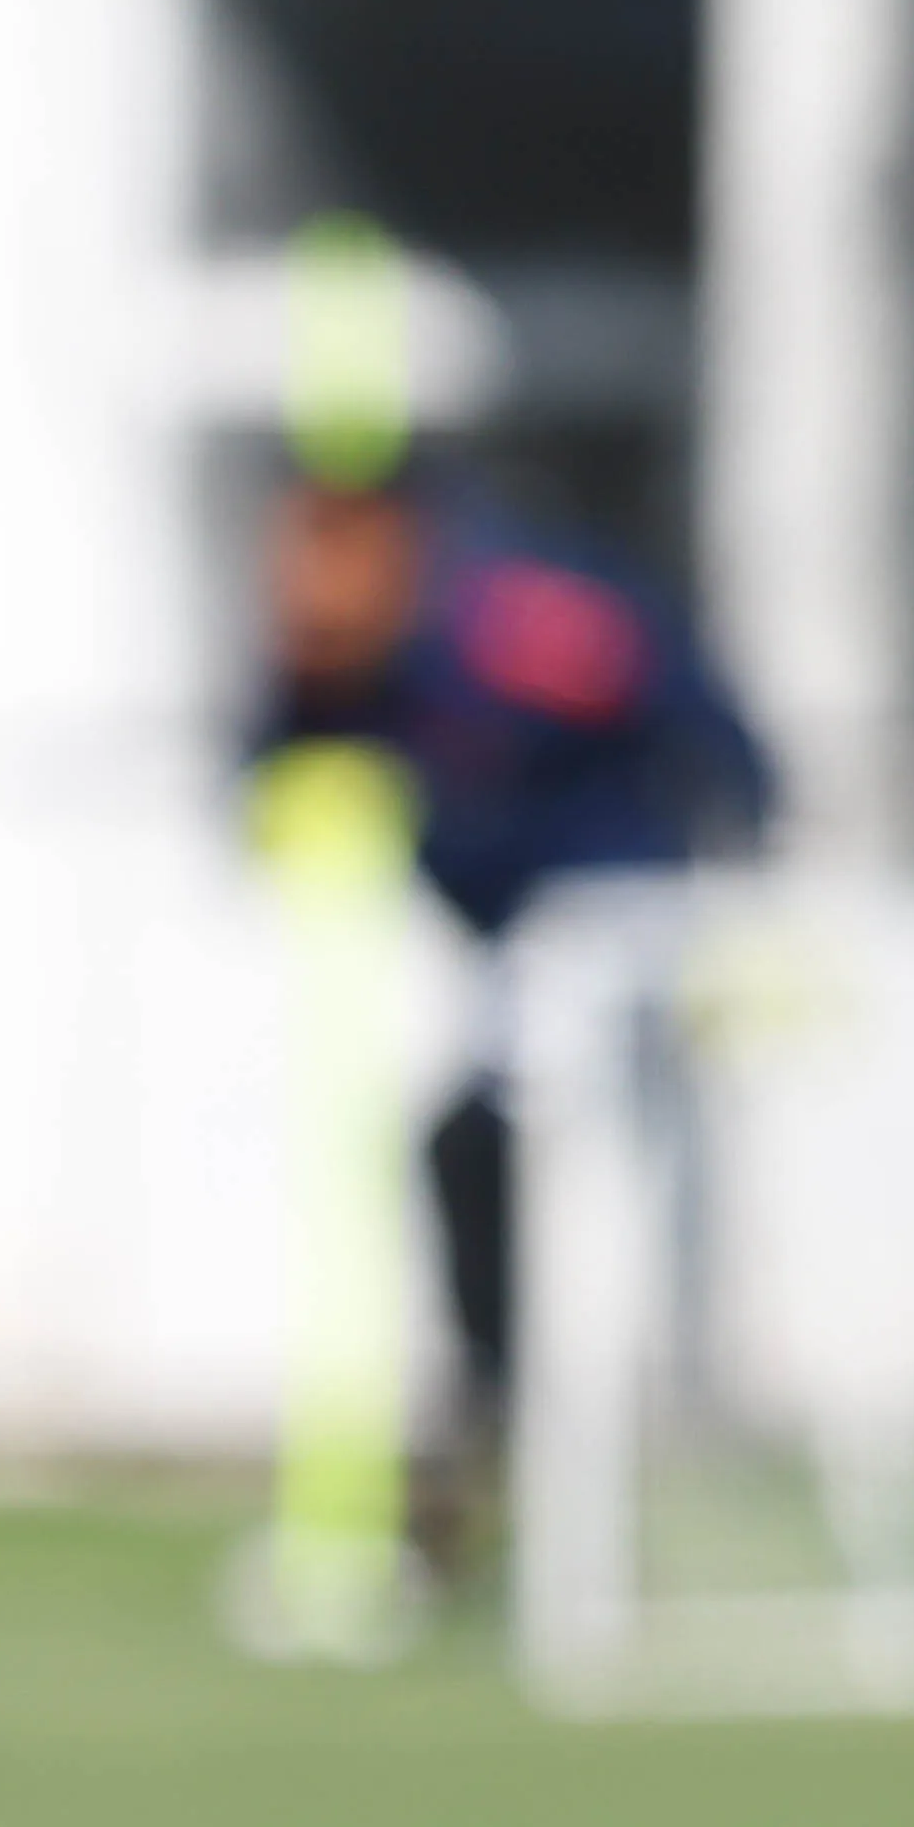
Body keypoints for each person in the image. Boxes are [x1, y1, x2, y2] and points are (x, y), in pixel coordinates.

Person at [258, 456, 770, 1506]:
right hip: (511, 961)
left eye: (335, 541)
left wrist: (753, 891)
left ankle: (610, 1441)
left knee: (564, 1175)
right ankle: (504, 1419)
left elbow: (708, 732)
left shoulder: (528, 626)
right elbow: (269, 768)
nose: (309, 573)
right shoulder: (337, 660)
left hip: (615, 931)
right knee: (469, 1154)